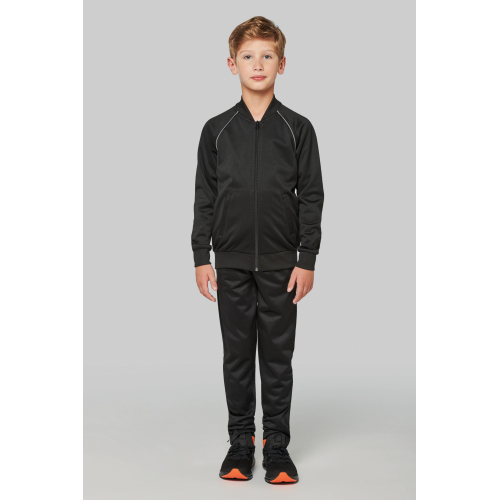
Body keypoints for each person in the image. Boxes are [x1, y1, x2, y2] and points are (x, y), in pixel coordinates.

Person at [191, 16, 324, 484]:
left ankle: (277, 447)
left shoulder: (298, 128)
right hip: (229, 263)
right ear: (232, 64)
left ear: (281, 64)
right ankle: (240, 444)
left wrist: (306, 259)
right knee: (237, 358)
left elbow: (311, 196)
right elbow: (204, 197)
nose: (258, 64)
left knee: (277, 360)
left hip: (281, 266)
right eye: (248, 56)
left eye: (267, 55)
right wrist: (201, 255)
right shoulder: (216, 130)